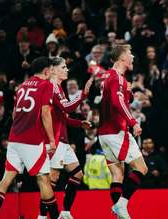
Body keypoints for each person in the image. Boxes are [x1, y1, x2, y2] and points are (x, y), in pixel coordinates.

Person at [0, 57, 59, 219]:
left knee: (7, 178)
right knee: (43, 180)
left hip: (14, 139)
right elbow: (45, 112)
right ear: (46, 71)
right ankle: (54, 216)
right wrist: (52, 140)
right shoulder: (46, 85)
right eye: (51, 69)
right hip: (31, 140)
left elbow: (14, 113)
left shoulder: (22, 86)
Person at [38, 57, 93, 219]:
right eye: (63, 67)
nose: (67, 69)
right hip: (54, 140)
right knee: (52, 179)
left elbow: (63, 116)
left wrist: (78, 123)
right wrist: (84, 94)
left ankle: (66, 212)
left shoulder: (59, 88)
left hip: (63, 139)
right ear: (53, 70)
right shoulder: (52, 87)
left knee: (77, 175)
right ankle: (41, 216)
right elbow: (67, 107)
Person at [98, 44, 148, 219]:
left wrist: (130, 94)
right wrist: (133, 122)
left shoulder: (108, 77)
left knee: (117, 174)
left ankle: (119, 214)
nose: (133, 57)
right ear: (122, 58)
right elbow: (117, 102)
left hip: (104, 134)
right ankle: (121, 205)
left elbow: (118, 99)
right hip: (117, 131)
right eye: (130, 53)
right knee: (141, 168)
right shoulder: (117, 78)